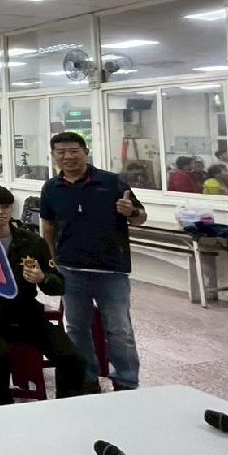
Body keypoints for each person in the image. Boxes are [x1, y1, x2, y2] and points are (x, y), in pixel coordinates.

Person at [40, 132, 146, 392]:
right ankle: (86, 379)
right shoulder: (51, 188)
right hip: (71, 270)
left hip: (111, 270)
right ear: (53, 155)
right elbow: (48, 227)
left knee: (119, 329)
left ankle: (126, 381)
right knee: (77, 328)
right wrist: (52, 262)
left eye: (73, 151)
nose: (67, 156)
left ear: (85, 151)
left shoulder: (111, 182)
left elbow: (141, 217)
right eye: (61, 152)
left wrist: (131, 211)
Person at [0, 185, 86, 406]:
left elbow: (59, 286)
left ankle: (67, 408)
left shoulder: (32, 241)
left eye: (5, 207)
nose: (0, 212)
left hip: (28, 315)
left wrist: (42, 278)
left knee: (71, 357)